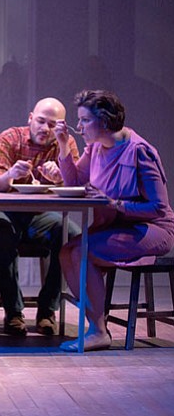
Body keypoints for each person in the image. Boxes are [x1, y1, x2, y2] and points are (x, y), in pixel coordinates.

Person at [55, 90, 174, 351]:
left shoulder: (139, 152)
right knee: (67, 252)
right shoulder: (96, 148)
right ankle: (96, 325)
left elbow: (158, 206)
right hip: (114, 225)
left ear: (105, 122)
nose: (79, 127)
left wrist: (114, 204)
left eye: (85, 121)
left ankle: (98, 331)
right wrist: (64, 144)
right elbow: (74, 182)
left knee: (80, 252)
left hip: (151, 229)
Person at [0, 97, 81, 336]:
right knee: (0, 233)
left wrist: (60, 176)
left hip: (42, 214)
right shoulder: (10, 137)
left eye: (53, 124)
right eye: (41, 121)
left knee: (70, 235)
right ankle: (14, 311)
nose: (45, 128)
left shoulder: (65, 142)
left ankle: (47, 310)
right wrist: (10, 173)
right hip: (8, 211)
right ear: (31, 118)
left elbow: (78, 184)